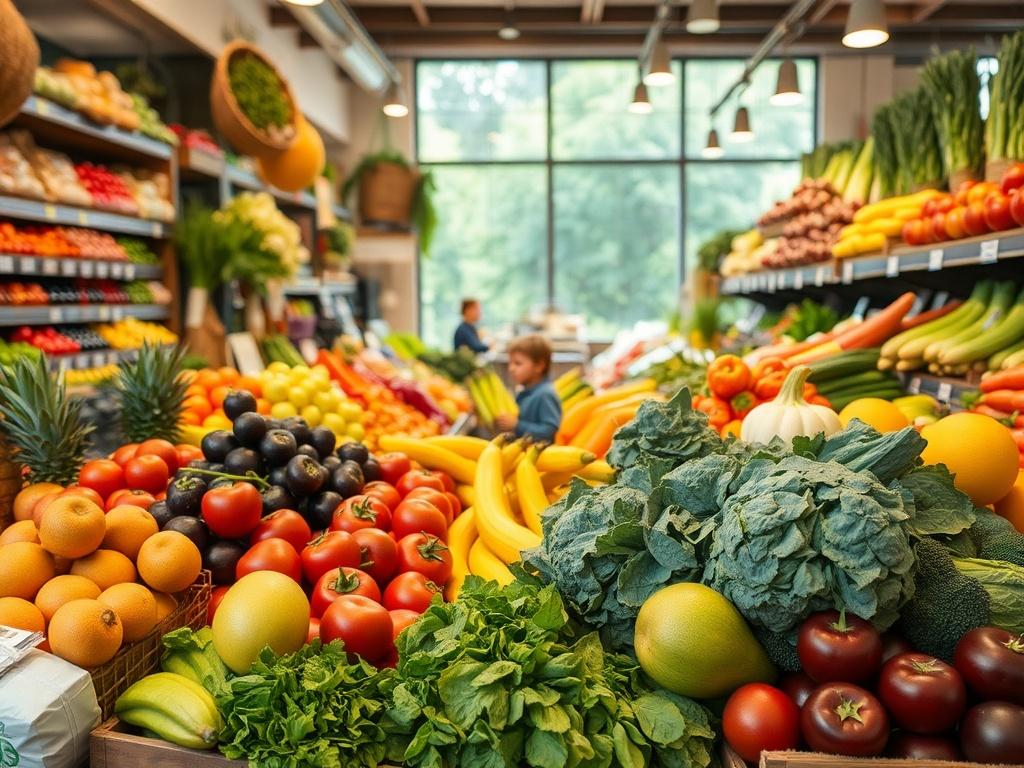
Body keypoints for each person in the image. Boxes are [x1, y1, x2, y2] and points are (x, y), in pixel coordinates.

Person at [495, 334, 562, 443]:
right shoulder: (525, 392)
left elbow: (548, 431)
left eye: (518, 363)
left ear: (539, 366)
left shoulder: (545, 394)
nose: (511, 368)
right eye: (510, 363)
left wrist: (517, 425)